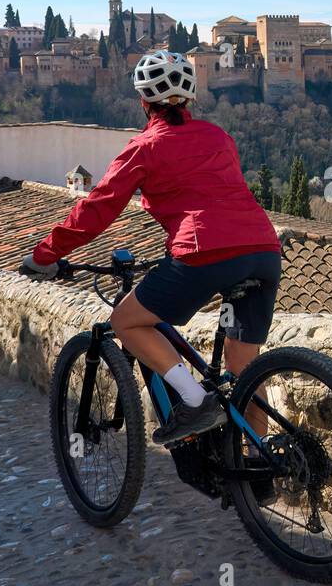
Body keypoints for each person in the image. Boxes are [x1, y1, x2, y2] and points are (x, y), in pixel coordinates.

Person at [23, 50, 282, 443]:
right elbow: (211, 194)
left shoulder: (145, 147)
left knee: (125, 321)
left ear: (143, 102)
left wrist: (45, 254)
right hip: (263, 249)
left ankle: (195, 401)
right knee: (246, 371)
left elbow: (97, 209)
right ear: (190, 99)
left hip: (204, 252)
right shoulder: (219, 137)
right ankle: (259, 474)